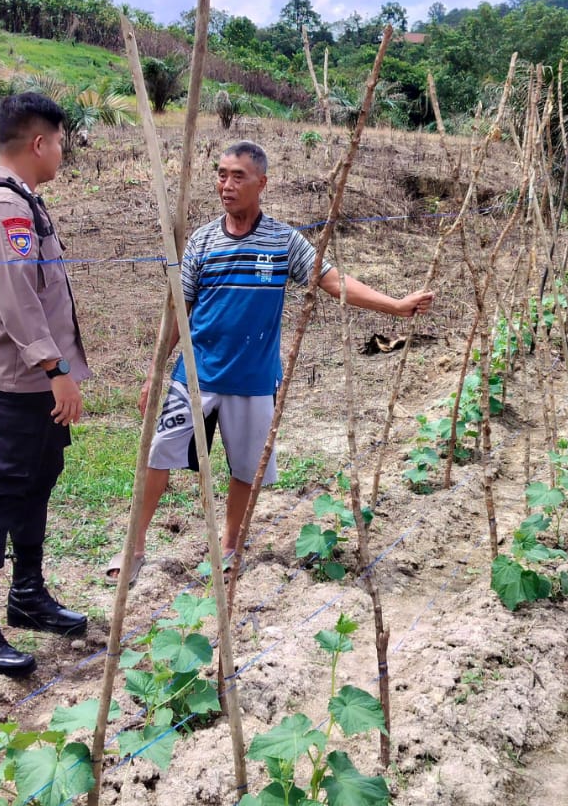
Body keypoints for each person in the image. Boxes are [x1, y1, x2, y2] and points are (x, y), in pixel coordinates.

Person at [106, 140, 433, 583]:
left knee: (245, 469)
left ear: (262, 182)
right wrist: (154, 373)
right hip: (195, 377)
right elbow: (175, 313)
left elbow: (332, 280)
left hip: (255, 381)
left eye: (237, 176)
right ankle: (136, 548)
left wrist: (393, 306)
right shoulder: (202, 241)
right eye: (221, 175)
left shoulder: (283, 242)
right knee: (158, 457)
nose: (226, 185)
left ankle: (229, 547)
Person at [0, 92, 91, 677]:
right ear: (38, 144)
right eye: (60, 141)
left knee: (37, 483)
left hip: (35, 381)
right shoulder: (6, 210)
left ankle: (28, 595)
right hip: (20, 382)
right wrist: (57, 371)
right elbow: (17, 303)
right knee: (4, 490)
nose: (63, 151)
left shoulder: (27, 204)